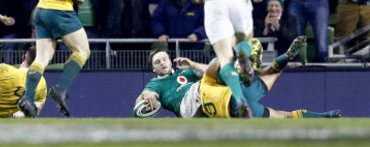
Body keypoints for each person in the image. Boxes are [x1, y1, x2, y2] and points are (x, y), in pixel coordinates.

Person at [136, 37, 340, 119]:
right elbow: (140, 102)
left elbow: (209, 72)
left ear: (170, 60)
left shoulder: (184, 72)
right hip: (191, 105)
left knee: (279, 114)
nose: (163, 63)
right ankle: (246, 65)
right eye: (157, 62)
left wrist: (191, 65)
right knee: (218, 63)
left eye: (164, 59)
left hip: (216, 95)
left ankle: (327, 117)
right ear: (153, 69)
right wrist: (145, 95)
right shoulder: (155, 83)